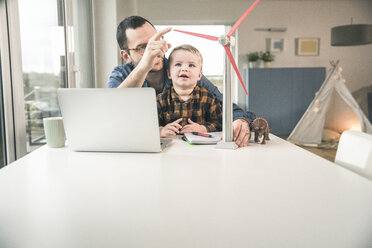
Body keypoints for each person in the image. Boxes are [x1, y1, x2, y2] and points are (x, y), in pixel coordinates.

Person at [107, 15, 256, 147]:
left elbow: (229, 108)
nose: (154, 50)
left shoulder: (180, 71)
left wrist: (241, 122)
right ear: (126, 56)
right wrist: (146, 64)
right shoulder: (121, 75)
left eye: (156, 41)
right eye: (142, 48)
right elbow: (112, 113)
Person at [157, 45, 222, 138]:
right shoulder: (161, 99)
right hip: (171, 147)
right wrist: (161, 130)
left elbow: (220, 122)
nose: (184, 68)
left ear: (199, 75)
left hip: (199, 147)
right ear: (169, 73)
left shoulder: (208, 97)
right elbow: (150, 125)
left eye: (191, 65)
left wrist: (203, 129)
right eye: (178, 64)